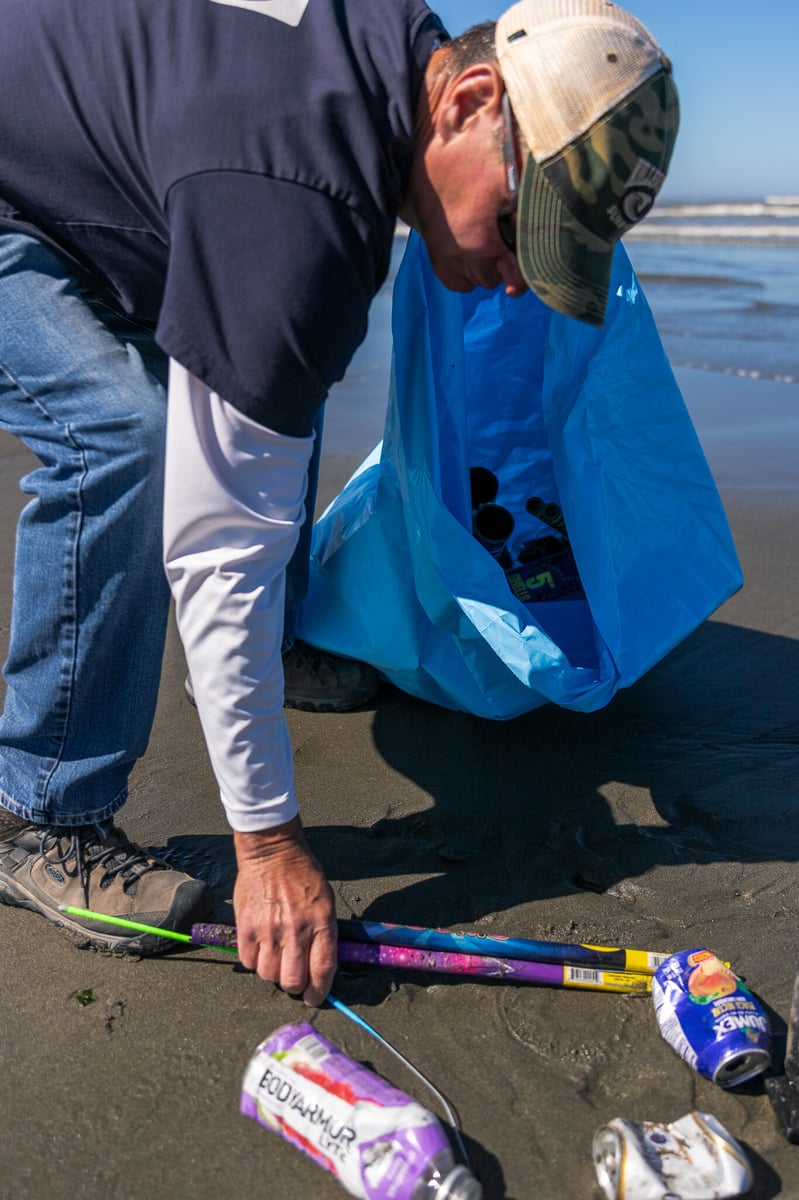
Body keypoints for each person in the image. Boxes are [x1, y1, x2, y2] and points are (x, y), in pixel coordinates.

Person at [0, 0, 678, 1005]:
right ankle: (41, 812)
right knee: (127, 437)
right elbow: (219, 540)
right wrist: (268, 842)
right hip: (22, 197)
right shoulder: (292, 185)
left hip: (118, 173)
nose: (512, 278)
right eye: (515, 233)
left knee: (280, 369)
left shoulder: (395, 65)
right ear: (471, 100)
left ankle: (259, 648)